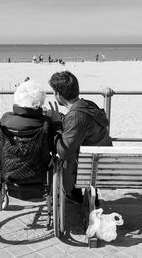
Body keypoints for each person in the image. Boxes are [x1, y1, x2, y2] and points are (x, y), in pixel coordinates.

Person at [46, 71, 111, 204]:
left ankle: (71, 193)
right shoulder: (88, 105)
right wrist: (62, 118)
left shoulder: (76, 117)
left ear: (58, 94)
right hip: (102, 164)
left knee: (62, 156)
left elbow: (64, 152)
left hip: (88, 169)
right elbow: (80, 126)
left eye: (54, 92)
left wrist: (57, 124)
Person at [0, 80, 53, 185]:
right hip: (37, 172)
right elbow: (50, 145)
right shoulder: (45, 122)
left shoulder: (5, 119)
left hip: (9, 169)